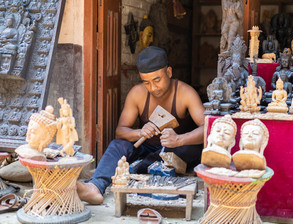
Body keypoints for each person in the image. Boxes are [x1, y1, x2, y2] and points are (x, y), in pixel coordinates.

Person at [77, 46, 205, 204]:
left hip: (175, 151)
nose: (153, 87)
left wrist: (179, 139)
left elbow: (208, 129)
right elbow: (120, 131)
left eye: (157, 80)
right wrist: (139, 132)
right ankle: (95, 187)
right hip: (147, 149)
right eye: (147, 83)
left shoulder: (186, 93)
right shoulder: (137, 94)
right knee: (119, 145)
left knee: (192, 149)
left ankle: (138, 167)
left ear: (169, 72)